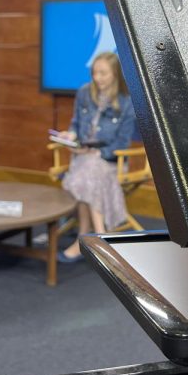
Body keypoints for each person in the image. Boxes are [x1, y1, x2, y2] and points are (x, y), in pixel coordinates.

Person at [58, 52, 137, 262]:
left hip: (111, 162)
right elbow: (75, 123)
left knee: (90, 171)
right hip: (82, 159)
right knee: (88, 171)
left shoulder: (127, 103)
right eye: (94, 72)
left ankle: (85, 237)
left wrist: (97, 152)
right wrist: (71, 135)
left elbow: (122, 143)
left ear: (115, 74)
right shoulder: (84, 92)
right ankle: (99, 237)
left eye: (103, 73)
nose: (97, 78)